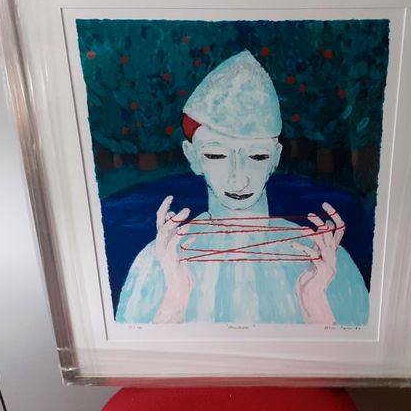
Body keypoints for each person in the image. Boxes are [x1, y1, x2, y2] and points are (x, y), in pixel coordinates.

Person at [116, 50, 369, 325]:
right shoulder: (159, 261)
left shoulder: (325, 261)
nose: (239, 179)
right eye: (217, 155)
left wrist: (315, 304)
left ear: (276, 157)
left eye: (257, 156)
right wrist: (175, 299)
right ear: (192, 156)